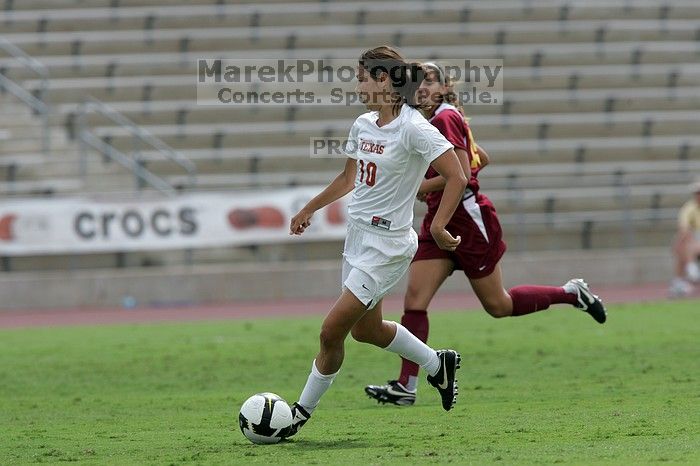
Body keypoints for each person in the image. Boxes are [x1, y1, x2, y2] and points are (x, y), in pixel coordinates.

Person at [365, 62, 607, 407]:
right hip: (441, 217)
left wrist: (422, 184)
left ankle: (572, 293)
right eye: (418, 81)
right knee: (414, 301)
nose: (422, 87)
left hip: (467, 218)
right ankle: (407, 385)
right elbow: (483, 158)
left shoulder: (445, 117)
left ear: (444, 88)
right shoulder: (435, 119)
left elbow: (463, 172)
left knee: (498, 305)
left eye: (430, 81)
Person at [284, 46, 469, 437]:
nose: (357, 85)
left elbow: (458, 175)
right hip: (357, 239)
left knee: (329, 332)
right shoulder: (363, 124)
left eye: (361, 76)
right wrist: (310, 208)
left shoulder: (415, 128)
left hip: (388, 246)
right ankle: (438, 364)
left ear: (383, 79)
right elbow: (348, 179)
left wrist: (437, 226)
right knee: (365, 331)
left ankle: (298, 414)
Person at [669, 179, 700, 297]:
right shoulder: (689, 208)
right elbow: (684, 229)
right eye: (697, 193)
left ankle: (683, 275)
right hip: (694, 242)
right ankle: (689, 269)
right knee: (681, 241)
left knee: (684, 241)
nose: (699, 196)